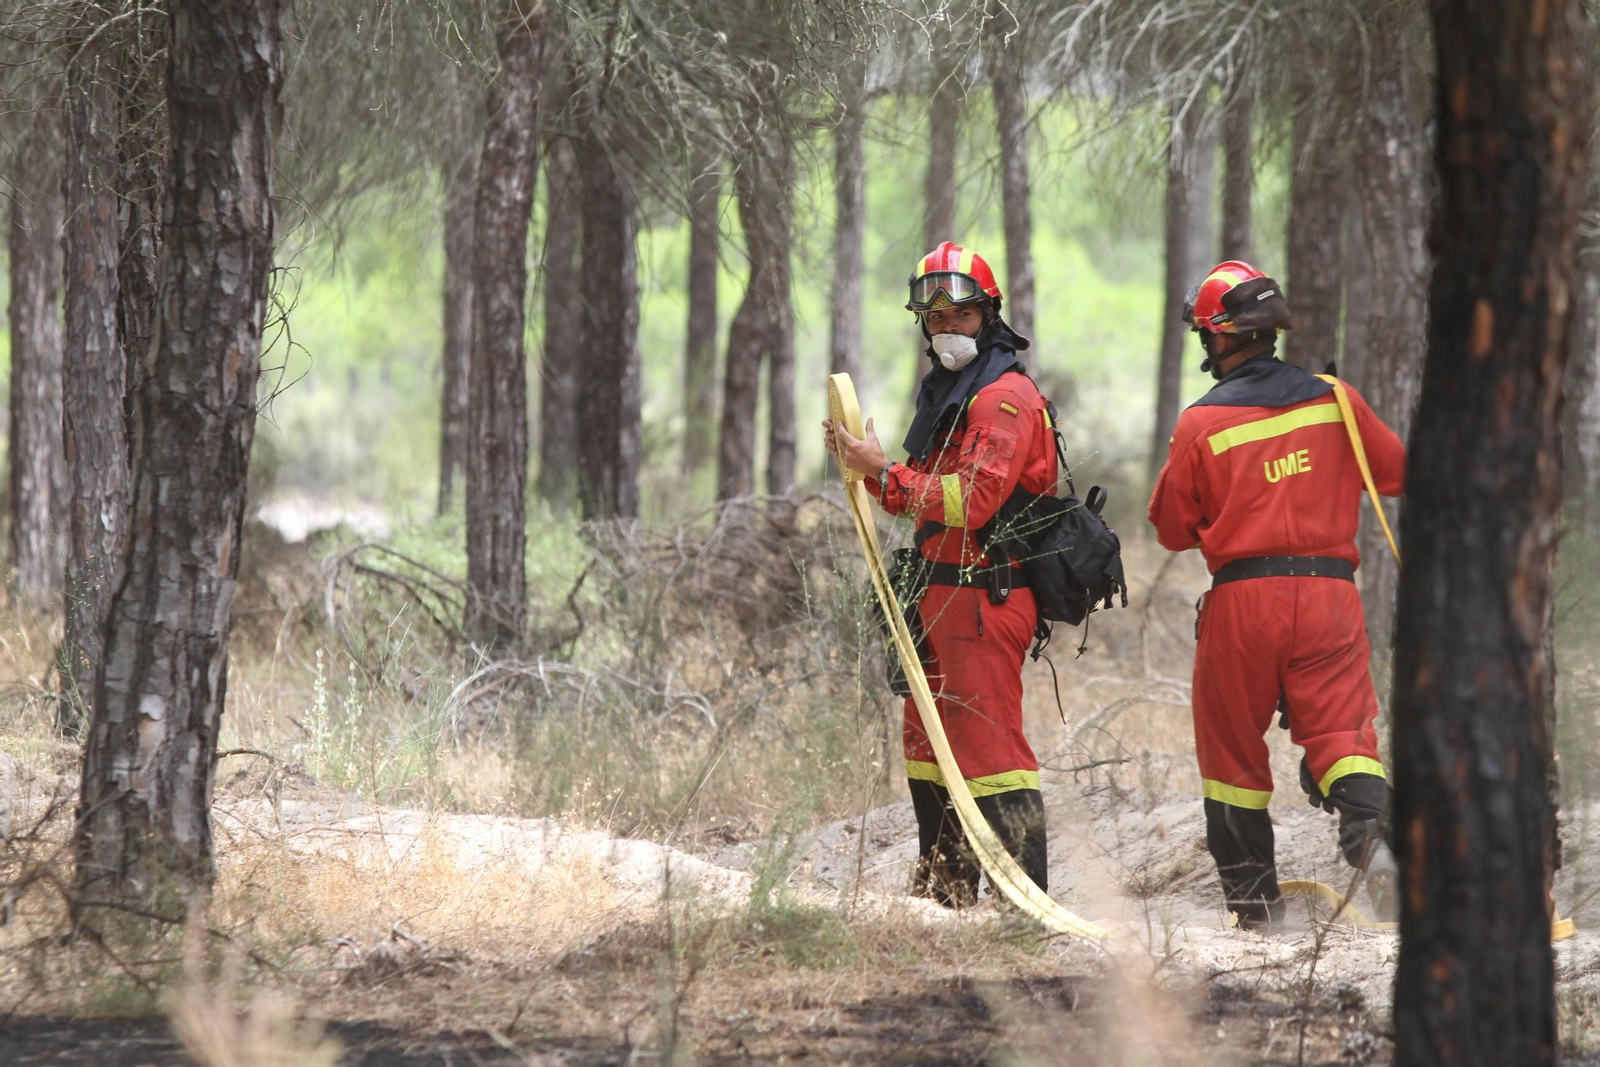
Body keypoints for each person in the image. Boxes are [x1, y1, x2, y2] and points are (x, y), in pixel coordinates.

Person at [1147, 260, 1405, 930]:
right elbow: (1396, 473)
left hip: (1244, 603)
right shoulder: (1335, 399)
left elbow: (1171, 528)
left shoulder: (1200, 423)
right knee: (1346, 731)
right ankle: (1373, 845)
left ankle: (1258, 911)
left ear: (1220, 337)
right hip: (1329, 597)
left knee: (1232, 752)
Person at [823, 241, 1059, 906]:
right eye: (934, 317)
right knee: (928, 750)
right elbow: (918, 495)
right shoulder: (952, 396)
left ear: (987, 314)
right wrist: (868, 473)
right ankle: (946, 898)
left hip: (986, 599)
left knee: (991, 754)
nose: (947, 326)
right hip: (936, 598)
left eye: (959, 314)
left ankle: (1025, 908)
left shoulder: (1003, 399)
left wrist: (882, 469)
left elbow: (972, 500)